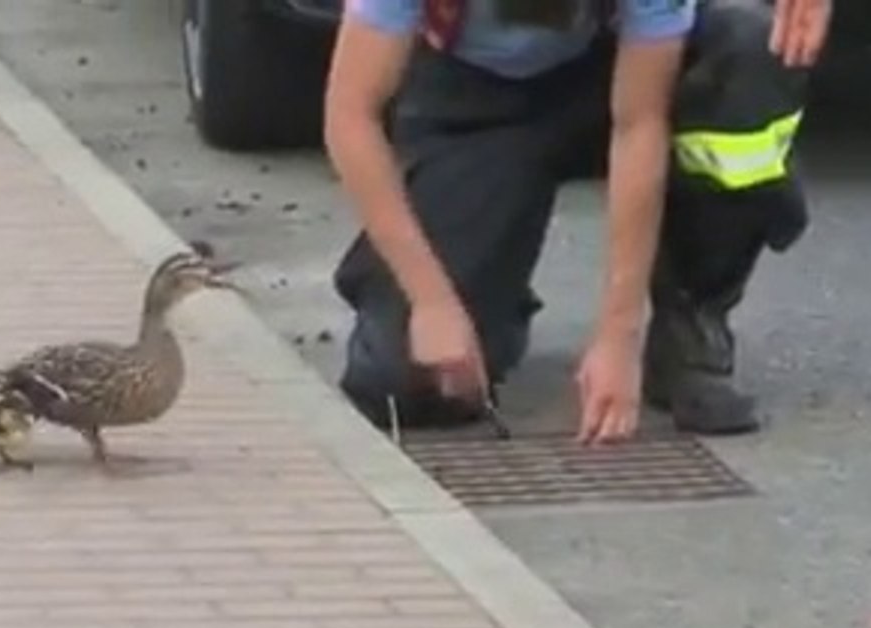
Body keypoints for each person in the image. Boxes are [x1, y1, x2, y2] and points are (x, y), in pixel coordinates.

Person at [324, 0, 832, 444]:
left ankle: (689, 328)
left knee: (745, 41)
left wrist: (618, 335)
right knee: (407, 381)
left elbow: (638, 125)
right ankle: (478, 290)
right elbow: (350, 115)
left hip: (604, 76)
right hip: (474, 99)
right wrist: (431, 301)